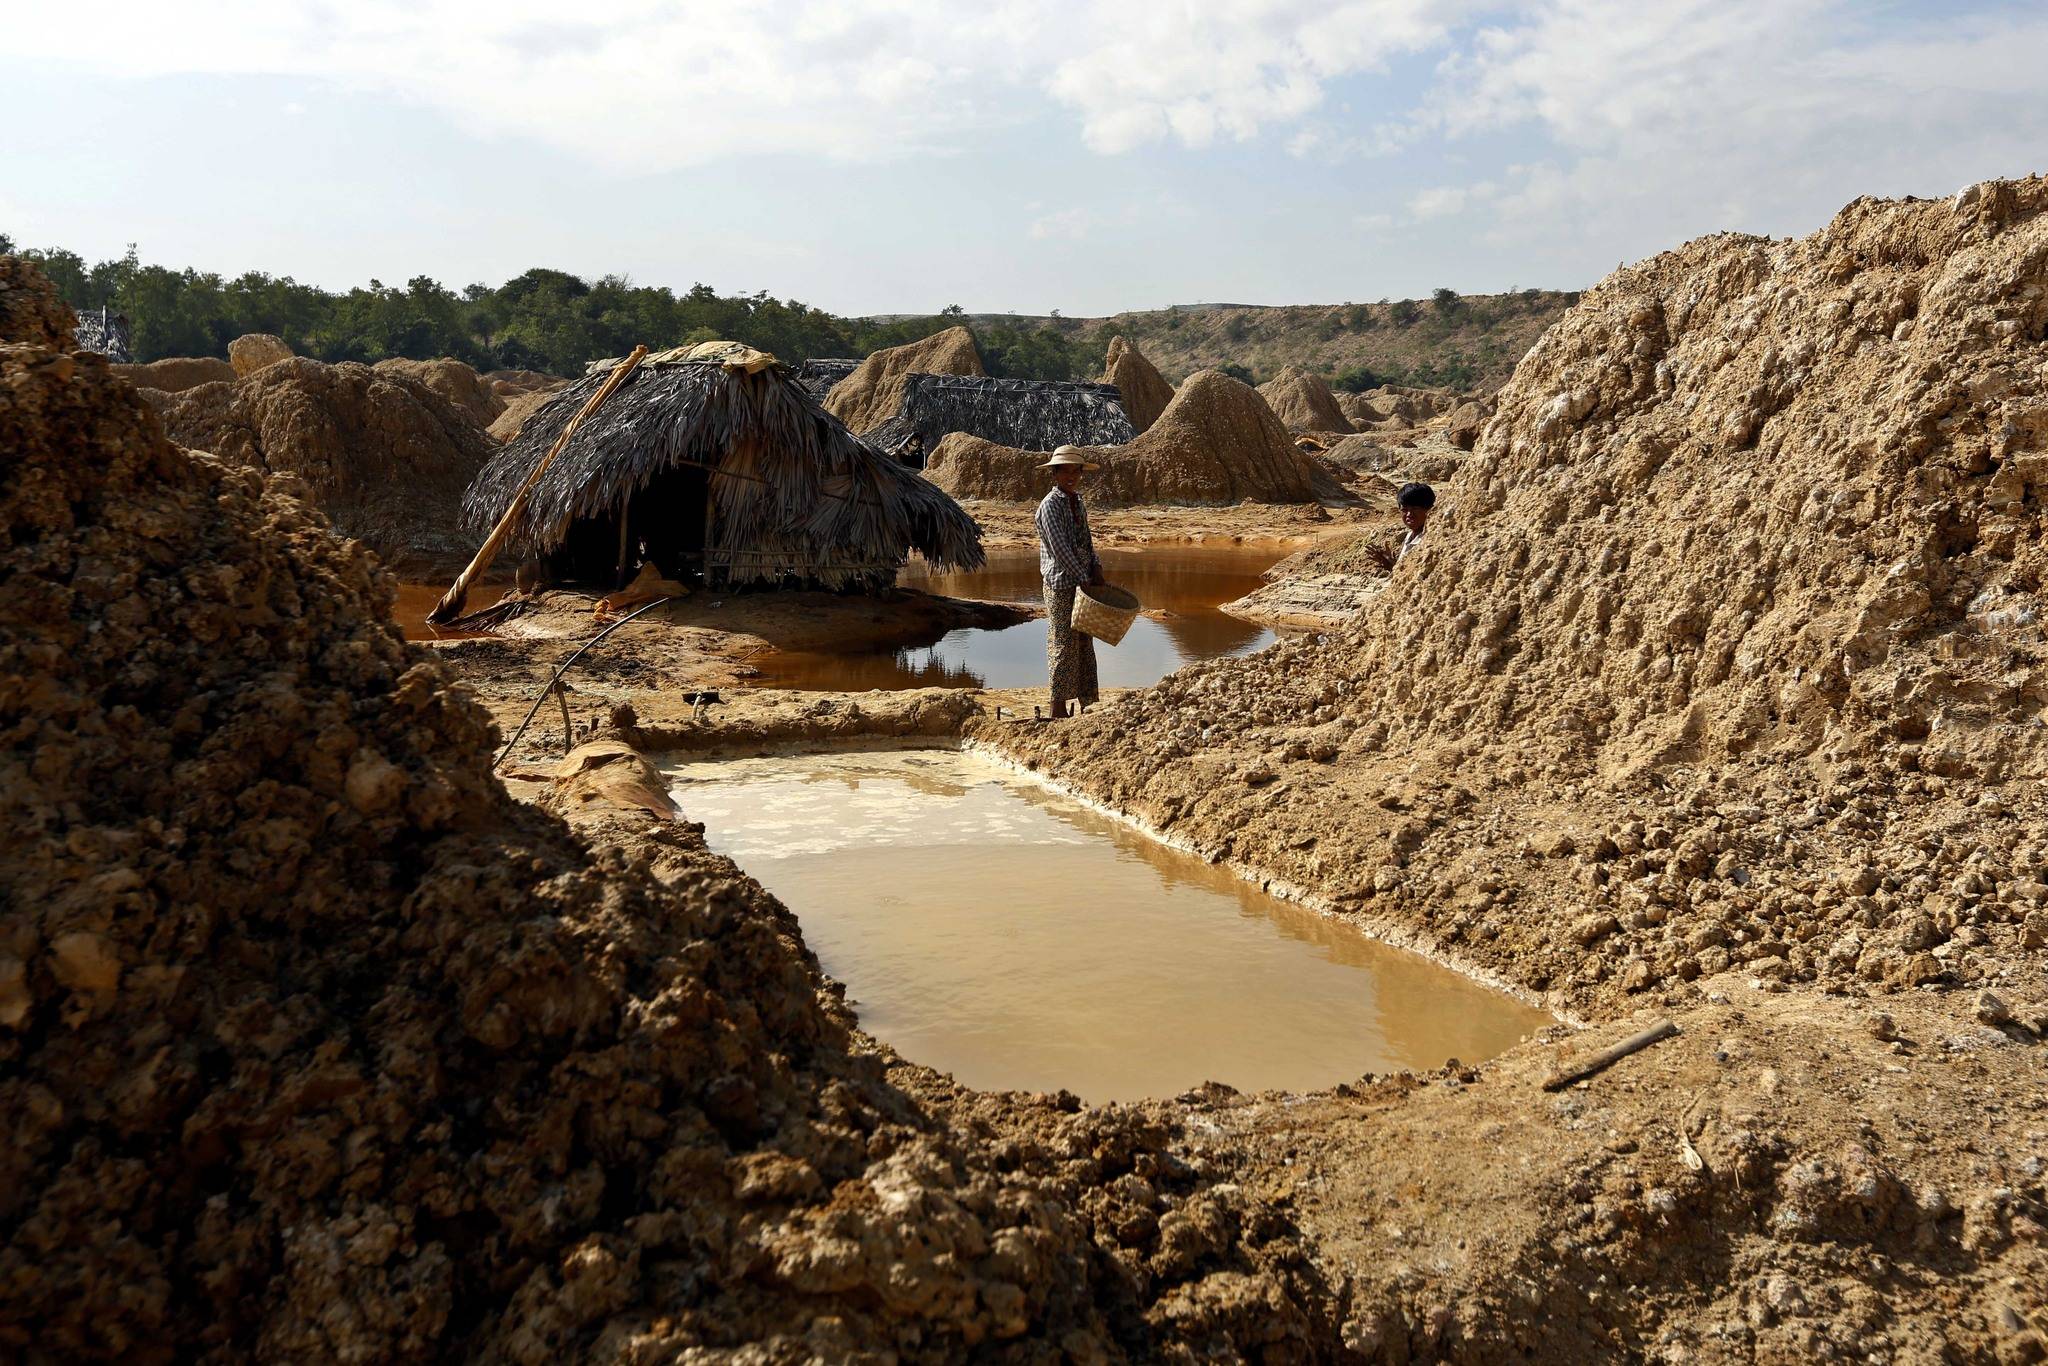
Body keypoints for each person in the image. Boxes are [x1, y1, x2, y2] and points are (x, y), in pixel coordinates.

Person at [1035, 446, 1104, 719]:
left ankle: (1089, 702)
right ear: (1055, 473)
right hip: (1062, 584)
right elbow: (1060, 550)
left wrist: (1096, 566)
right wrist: (1083, 577)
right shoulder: (1049, 507)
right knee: (1063, 642)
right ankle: (1057, 707)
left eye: (1076, 470)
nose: (1071, 475)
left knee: (1085, 643)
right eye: (1065, 470)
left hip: (1082, 581)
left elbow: (1086, 540)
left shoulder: (1078, 501)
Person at [1366, 481, 1435, 571]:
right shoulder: (1410, 536)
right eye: (1404, 510)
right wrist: (1393, 566)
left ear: (1430, 509)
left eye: (1415, 508)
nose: (1409, 514)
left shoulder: (1429, 540)